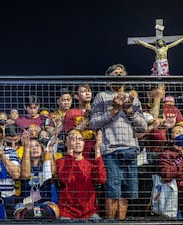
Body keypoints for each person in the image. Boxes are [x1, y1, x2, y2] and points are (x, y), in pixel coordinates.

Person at [90, 64, 147, 220]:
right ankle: (110, 223)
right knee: (112, 192)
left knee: (126, 193)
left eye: (122, 73)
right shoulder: (101, 96)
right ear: (108, 79)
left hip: (131, 149)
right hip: (111, 150)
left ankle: (121, 223)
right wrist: (114, 110)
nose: (119, 75)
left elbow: (143, 126)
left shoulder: (133, 98)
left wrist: (129, 111)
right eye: (115, 74)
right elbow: (93, 123)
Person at [56, 129, 106, 220]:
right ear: (66, 143)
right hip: (67, 213)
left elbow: (101, 179)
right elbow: (65, 179)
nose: (77, 142)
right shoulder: (61, 162)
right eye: (73, 139)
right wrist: (70, 151)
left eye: (80, 139)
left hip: (89, 212)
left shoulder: (89, 163)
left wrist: (97, 149)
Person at [14, 131, 59, 220]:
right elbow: (25, 175)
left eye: (37, 145)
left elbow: (52, 172)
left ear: (42, 149)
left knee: (55, 210)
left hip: (45, 202)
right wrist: (26, 148)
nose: (34, 148)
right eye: (31, 146)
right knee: (18, 215)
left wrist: (49, 148)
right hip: (25, 203)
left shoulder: (45, 164)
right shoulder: (23, 164)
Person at [63, 83, 95, 159]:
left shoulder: (98, 111)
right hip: (77, 154)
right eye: (83, 91)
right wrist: (86, 119)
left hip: (95, 151)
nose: (87, 93)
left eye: (89, 91)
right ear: (76, 96)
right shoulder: (71, 112)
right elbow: (71, 134)